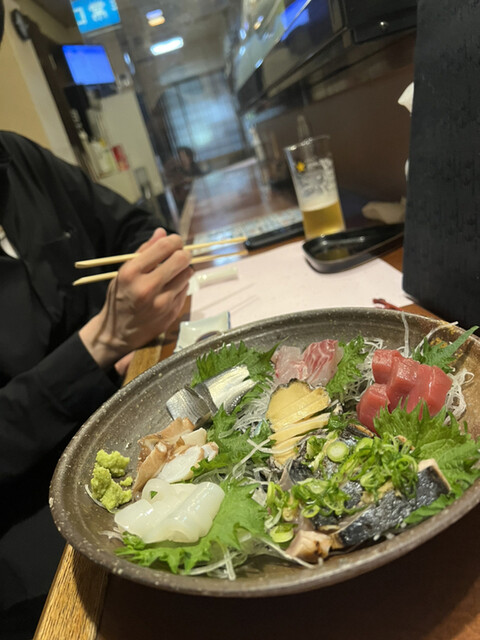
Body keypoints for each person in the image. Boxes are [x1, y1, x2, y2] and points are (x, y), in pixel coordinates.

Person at [0, 2, 192, 636]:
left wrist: (153, 282)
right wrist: (103, 338)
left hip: (124, 425)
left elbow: (133, 224)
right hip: (24, 520)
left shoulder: (15, 159)